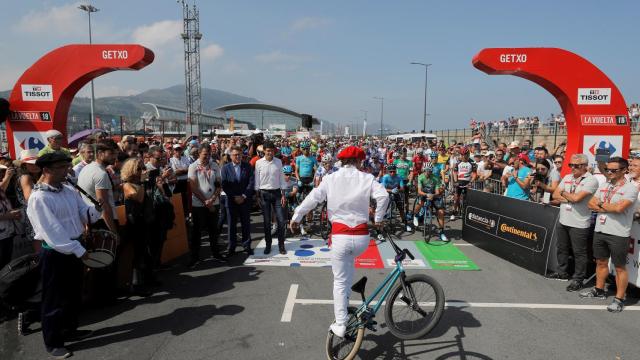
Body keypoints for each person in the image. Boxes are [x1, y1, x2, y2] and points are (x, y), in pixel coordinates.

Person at [289, 145, 389, 338]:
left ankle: (341, 323)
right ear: (359, 161)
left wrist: (297, 215)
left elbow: (313, 198)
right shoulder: (367, 178)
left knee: (340, 281)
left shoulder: (330, 178)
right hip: (361, 239)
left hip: (340, 237)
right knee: (349, 266)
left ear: (342, 161)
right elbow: (383, 196)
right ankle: (348, 298)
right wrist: (378, 219)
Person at [26, 152, 103, 359]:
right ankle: (53, 342)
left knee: (72, 294)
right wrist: (81, 251)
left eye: (67, 166)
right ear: (47, 170)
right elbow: (53, 233)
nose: (66, 171)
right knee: (54, 299)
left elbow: (83, 212)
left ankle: (70, 330)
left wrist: (95, 209)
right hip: (55, 253)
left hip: (74, 246)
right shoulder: (39, 198)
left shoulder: (68, 190)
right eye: (61, 167)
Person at [582, 157, 638, 312]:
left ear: (624, 170)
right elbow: (590, 204)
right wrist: (607, 206)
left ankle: (619, 299)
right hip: (600, 230)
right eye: (607, 169)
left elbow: (620, 208)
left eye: (614, 170)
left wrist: (600, 205)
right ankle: (599, 290)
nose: (610, 172)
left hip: (618, 233)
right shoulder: (605, 184)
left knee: (620, 267)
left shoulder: (630, 188)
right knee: (600, 262)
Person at [549, 154, 598, 291]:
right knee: (562, 248)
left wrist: (564, 194)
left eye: (576, 166)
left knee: (579, 252)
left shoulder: (591, 180)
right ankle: (562, 272)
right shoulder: (567, 177)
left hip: (579, 222)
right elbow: (555, 195)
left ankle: (578, 279)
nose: (572, 168)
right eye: (571, 165)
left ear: (585, 166)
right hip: (564, 219)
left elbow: (577, 198)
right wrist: (569, 197)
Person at [187, 144, 224, 267]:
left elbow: (219, 185)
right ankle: (194, 257)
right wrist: (205, 201)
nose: (207, 157)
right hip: (199, 204)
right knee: (196, 231)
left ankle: (216, 254)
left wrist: (212, 199)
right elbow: (193, 187)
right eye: (204, 154)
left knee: (214, 230)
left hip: (214, 203)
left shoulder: (214, 165)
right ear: (199, 154)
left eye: (208, 154)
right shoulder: (193, 167)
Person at [77, 140, 119, 233]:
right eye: (111, 153)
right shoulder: (101, 173)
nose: (115, 157)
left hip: (93, 220)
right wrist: (113, 231)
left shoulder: (86, 168)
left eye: (116, 154)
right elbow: (104, 206)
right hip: (103, 223)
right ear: (100, 153)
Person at [254, 141, 287, 255]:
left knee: (281, 221)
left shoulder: (278, 162)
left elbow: (282, 178)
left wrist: (283, 194)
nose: (270, 153)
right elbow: (257, 180)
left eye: (272, 151)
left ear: (274, 151)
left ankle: (281, 245)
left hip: (277, 193)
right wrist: (257, 195)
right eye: (268, 151)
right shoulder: (258, 163)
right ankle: (268, 245)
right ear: (264, 151)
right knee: (267, 222)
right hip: (264, 194)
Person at [221, 146, 254, 256]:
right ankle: (231, 247)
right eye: (235, 155)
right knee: (231, 225)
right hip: (231, 201)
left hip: (244, 200)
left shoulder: (247, 166)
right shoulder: (225, 168)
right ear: (230, 156)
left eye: (240, 155)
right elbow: (224, 185)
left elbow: (251, 183)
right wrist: (234, 196)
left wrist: (243, 196)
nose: (238, 157)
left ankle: (247, 245)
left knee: (246, 224)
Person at [413, 163, 447, 241]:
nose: (428, 172)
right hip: (424, 193)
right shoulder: (420, 177)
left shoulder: (436, 178)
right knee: (420, 203)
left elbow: (437, 192)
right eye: (426, 171)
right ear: (424, 170)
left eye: (430, 171)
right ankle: (415, 215)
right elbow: (419, 191)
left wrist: (433, 195)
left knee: (441, 212)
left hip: (433, 195)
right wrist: (426, 195)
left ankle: (441, 232)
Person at [451, 147, 477, 220]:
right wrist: (456, 181)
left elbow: (474, 174)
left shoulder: (472, 163)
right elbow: (455, 173)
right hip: (459, 183)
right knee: (456, 198)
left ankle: (467, 212)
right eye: (462, 154)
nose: (463, 156)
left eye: (465, 154)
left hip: (467, 183)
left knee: (467, 199)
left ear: (468, 154)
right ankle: (453, 212)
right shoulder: (458, 163)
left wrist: (471, 182)